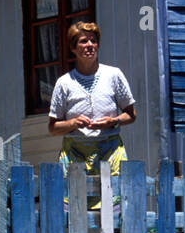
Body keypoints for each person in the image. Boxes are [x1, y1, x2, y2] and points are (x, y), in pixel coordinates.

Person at [48, 22, 136, 192]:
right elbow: (53, 128)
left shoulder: (113, 75)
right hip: (75, 157)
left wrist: (113, 121)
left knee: (114, 209)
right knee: (77, 210)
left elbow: (131, 114)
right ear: (73, 48)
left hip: (111, 154)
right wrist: (73, 123)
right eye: (83, 41)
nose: (89, 45)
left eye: (93, 41)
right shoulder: (64, 83)